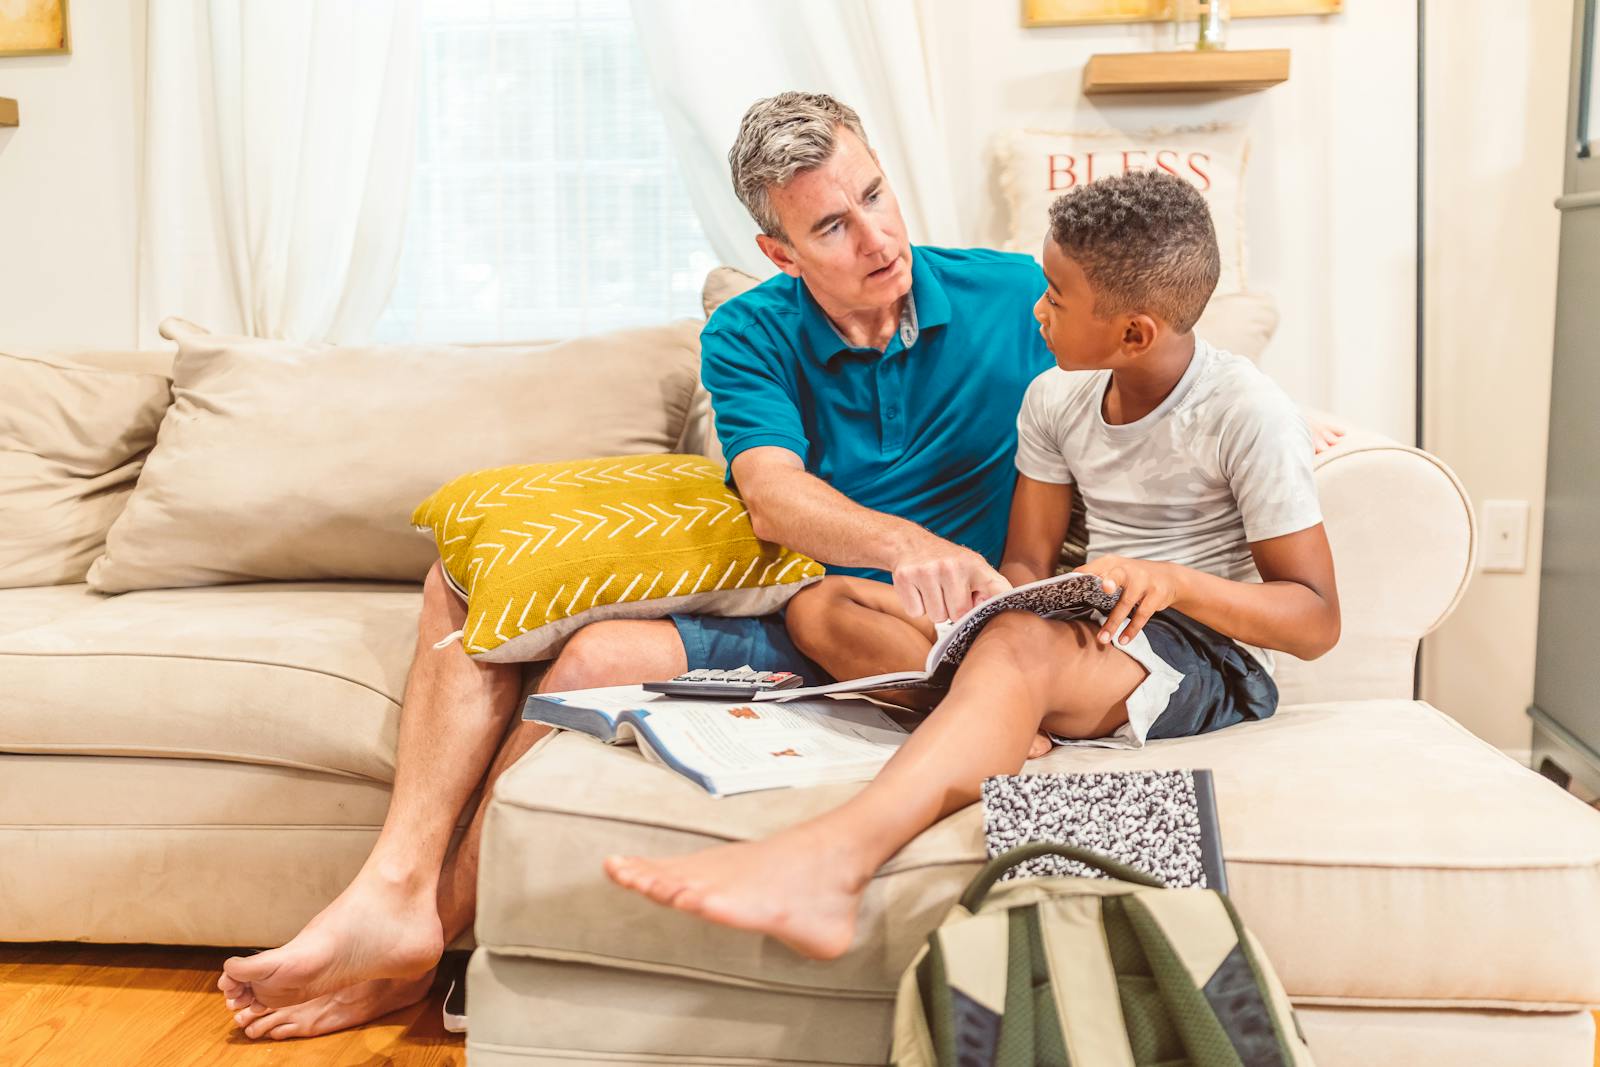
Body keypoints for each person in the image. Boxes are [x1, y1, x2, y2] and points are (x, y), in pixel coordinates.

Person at [216, 91, 1060, 1040]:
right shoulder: (750, 330)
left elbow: (1122, 422)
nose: (875, 237)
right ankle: (398, 894)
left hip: (898, 635)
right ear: (778, 251)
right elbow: (772, 494)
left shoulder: (1016, 297)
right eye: (831, 224)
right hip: (794, 604)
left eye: (875, 194)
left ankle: (418, 932)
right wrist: (907, 542)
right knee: (483, 597)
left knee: (581, 663)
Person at [602, 170, 1342, 961]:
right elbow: (1026, 559)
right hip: (1091, 630)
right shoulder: (1054, 399)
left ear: (1132, 334)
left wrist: (1175, 582)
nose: (1036, 307)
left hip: (1199, 652)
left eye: (1055, 296)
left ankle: (832, 861)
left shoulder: (1246, 413)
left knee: (1019, 644)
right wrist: (995, 599)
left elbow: (1316, 620)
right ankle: (1008, 718)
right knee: (823, 607)